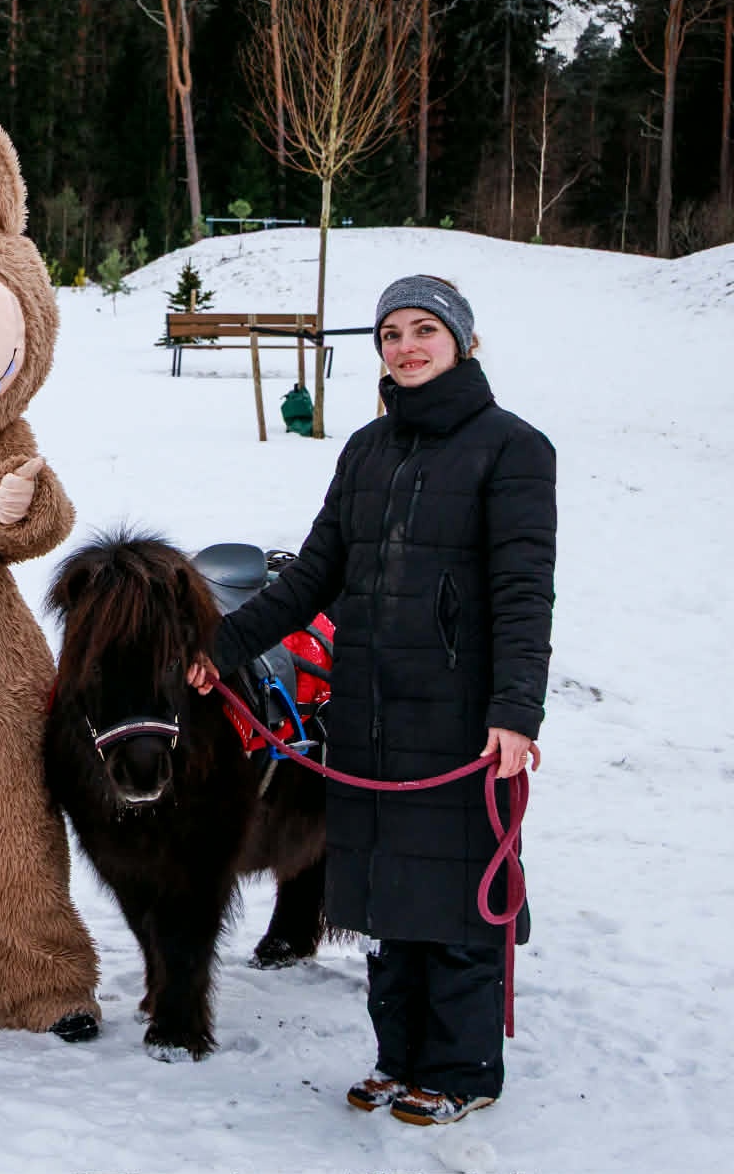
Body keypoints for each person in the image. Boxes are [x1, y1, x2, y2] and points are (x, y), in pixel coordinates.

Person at [189, 275, 556, 1125]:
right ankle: (400, 1057)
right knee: (389, 899)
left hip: (460, 719)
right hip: (367, 713)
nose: (406, 346)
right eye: (391, 333)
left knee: (455, 898)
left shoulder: (513, 449)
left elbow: (523, 594)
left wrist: (515, 712)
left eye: (424, 329)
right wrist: (223, 646)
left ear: (462, 341)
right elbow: (312, 576)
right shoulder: (365, 450)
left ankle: (461, 1069)